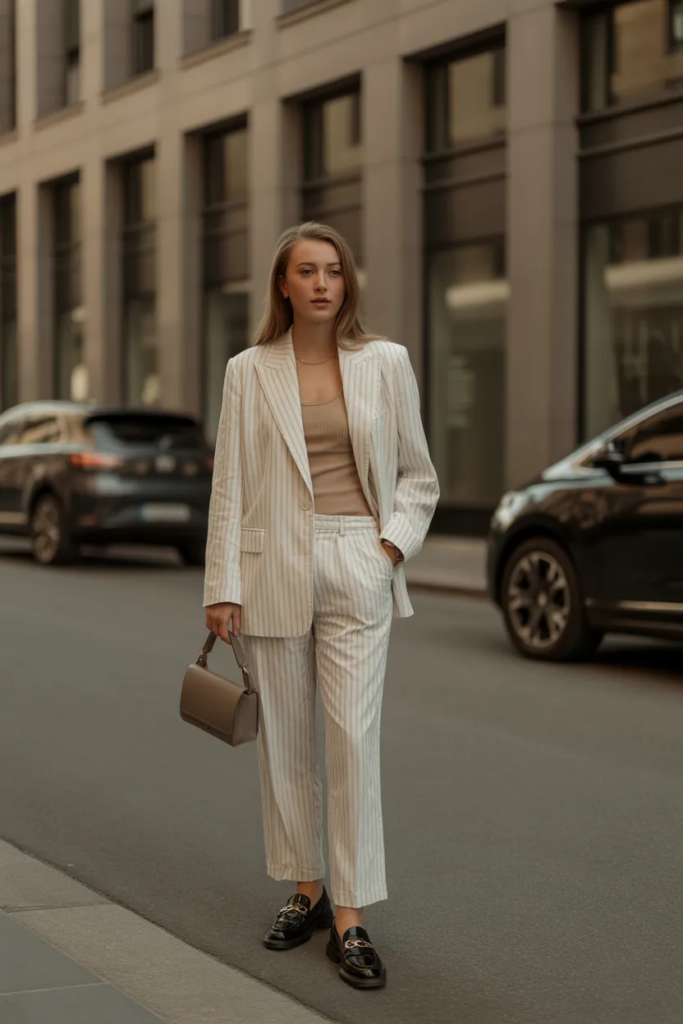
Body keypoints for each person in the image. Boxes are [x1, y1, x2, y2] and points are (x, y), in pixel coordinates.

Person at [204, 221, 439, 990]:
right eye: (305, 271)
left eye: (332, 271)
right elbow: (230, 483)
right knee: (287, 749)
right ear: (282, 283)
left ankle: (352, 918)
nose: (320, 284)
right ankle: (304, 889)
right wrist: (221, 587)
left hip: (355, 560)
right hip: (271, 564)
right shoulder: (248, 370)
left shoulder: (385, 362)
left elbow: (417, 476)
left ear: (346, 282)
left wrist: (387, 551)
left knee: (351, 742)